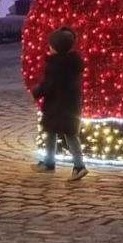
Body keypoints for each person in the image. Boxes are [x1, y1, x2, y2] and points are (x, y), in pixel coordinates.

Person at [31, 26, 86, 180]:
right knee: (54, 132)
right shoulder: (73, 62)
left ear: (55, 47)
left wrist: (37, 90)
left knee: (67, 135)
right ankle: (49, 162)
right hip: (70, 104)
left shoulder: (55, 65)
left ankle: (79, 166)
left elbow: (50, 86)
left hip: (57, 105)